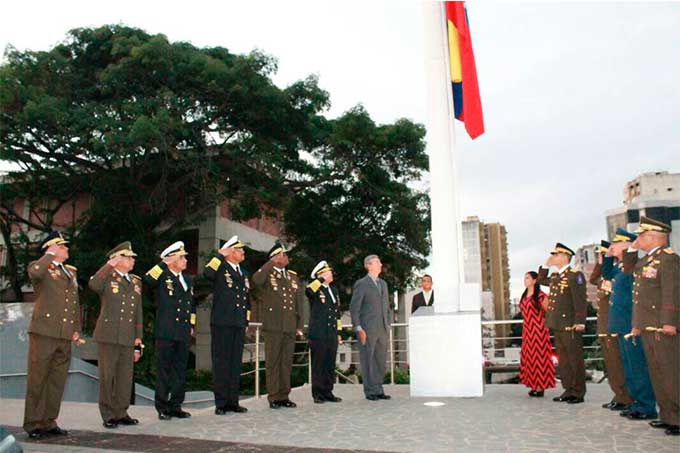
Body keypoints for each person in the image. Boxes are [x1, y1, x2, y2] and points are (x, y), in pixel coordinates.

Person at [624, 216, 679, 436]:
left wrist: (669, 322)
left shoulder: (668, 259)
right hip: (647, 327)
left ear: (654, 236)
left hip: (662, 327)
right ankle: (668, 415)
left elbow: (672, 292)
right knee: (657, 374)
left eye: (641, 235)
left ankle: (678, 417)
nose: (638, 239)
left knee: (671, 373)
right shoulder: (646, 261)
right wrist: (637, 325)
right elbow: (639, 296)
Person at [23, 232, 80, 439]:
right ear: (52, 247)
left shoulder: (70, 272)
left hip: (64, 333)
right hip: (44, 331)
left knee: (57, 381)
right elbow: (35, 274)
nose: (67, 249)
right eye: (62, 246)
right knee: (38, 379)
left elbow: (74, 303)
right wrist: (48, 255)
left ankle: (49, 421)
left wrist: (76, 328)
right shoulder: (41, 266)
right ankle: (33, 423)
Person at [603, 229, 657, 421]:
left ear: (628, 245)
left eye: (616, 243)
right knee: (628, 366)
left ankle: (646, 406)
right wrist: (608, 256)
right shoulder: (619, 269)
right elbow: (606, 273)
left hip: (630, 321)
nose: (612, 247)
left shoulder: (631, 265)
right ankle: (636, 403)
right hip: (621, 322)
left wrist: (630, 249)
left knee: (637, 366)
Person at [89, 241, 143, 429]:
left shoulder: (135, 281)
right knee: (107, 376)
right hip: (108, 335)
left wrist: (138, 339)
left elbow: (138, 313)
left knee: (124, 377)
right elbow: (93, 285)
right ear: (117, 259)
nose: (132, 260)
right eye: (128, 257)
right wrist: (109, 265)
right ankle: (108, 414)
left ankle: (121, 412)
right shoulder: (107, 277)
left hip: (127, 337)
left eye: (132, 258)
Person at [144, 241, 195, 420]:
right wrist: (162, 263)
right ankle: (162, 406)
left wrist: (192, 325)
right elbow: (147, 280)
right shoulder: (162, 277)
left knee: (180, 370)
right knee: (164, 370)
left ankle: (176, 405)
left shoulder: (187, 279)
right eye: (181, 257)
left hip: (182, 331)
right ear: (172, 259)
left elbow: (191, 305)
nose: (185, 260)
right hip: (166, 330)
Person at [252, 241, 304, 409]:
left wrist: (299, 326)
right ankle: (273, 396)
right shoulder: (268, 273)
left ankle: (284, 395)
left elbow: (298, 304)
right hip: (273, 325)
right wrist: (271, 263)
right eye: (283, 255)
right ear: (275, 257)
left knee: (286, 362)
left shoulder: (292, 276)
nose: (286, 257)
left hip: (289, 326)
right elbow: (256, 280)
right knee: (273, 362)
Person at [203, 235, 250, 415]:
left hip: (238, 322)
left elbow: (246, 300)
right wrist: (219, 255)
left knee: (234, 363)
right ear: (231, 252)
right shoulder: (220, 268)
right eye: (239, 250)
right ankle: (221, 403)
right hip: (222, 322)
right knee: (221, 362)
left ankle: (233, 401)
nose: (243, 252)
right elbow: (207, 274)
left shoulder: (242, 273)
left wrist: (245, 321)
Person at [537, 243, 587, 404]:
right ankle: (568, 389)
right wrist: (546, 265)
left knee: (574, 360)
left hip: (570, 324)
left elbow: (580, 301)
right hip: (557, 323)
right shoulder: (556, 276)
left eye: (556, 255)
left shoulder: (575, 275)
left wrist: (580, 322)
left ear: (565, 257)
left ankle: (578, 392)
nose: (553, 257)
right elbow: (540, 280)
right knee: (564, 360)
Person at [590, 240, 632, 411]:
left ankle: (625, 397)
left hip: (616, 324)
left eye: (604, 253)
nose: (601, 257)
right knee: (612, 365)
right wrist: (602, 262)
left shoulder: (619, 272)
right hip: (606, 325)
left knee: (618, 364)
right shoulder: (608, 275)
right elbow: (594, 279)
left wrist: (606, 261)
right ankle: (619, 395)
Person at [350, 255, 392, 401]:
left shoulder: (383, 284)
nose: (381, 264)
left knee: (380, 360)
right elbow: (354, 308)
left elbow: (387, 307)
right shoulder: (362, 284)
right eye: (377, 262)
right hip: (367, 329)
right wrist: (358, 328)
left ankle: (378, 388)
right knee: (368, 359)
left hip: (382, 328)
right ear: (368, 265)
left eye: (380, 262)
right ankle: (370, 391)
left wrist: (388, 324)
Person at [306, 260, 343, 404]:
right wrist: (320, 279)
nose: (331, 274)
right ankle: (318, 393)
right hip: (319, 333)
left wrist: (338, 332)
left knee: (329, 364)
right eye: (327, 272)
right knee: (318, 364)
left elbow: (337, 313)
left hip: (331, 333)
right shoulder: (316, 288)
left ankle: (328, 391)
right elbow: (308, 290)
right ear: (320, 275)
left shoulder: (333, 290)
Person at [518, 271, 555, 397]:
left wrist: (543, 323)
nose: (525, 280)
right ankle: (533, 385)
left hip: (538, 330)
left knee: (539, 357)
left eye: (528, 278)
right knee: (530, 358)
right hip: (527, 330)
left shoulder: (540, 295)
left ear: (534, 280)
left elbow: (549, 310)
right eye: (524, 277)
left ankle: (541, 387)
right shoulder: (524, 295)